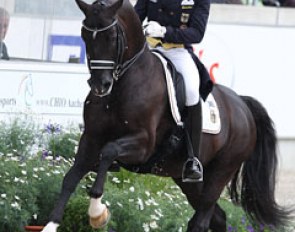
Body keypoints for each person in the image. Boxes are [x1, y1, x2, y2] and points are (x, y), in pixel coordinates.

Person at [134, 0, 210, 182]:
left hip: (177, 51)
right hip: (147, 47)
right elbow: (136, 16)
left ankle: (192, 159)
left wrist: (165, 32)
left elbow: (197, 33)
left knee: (192, 92)